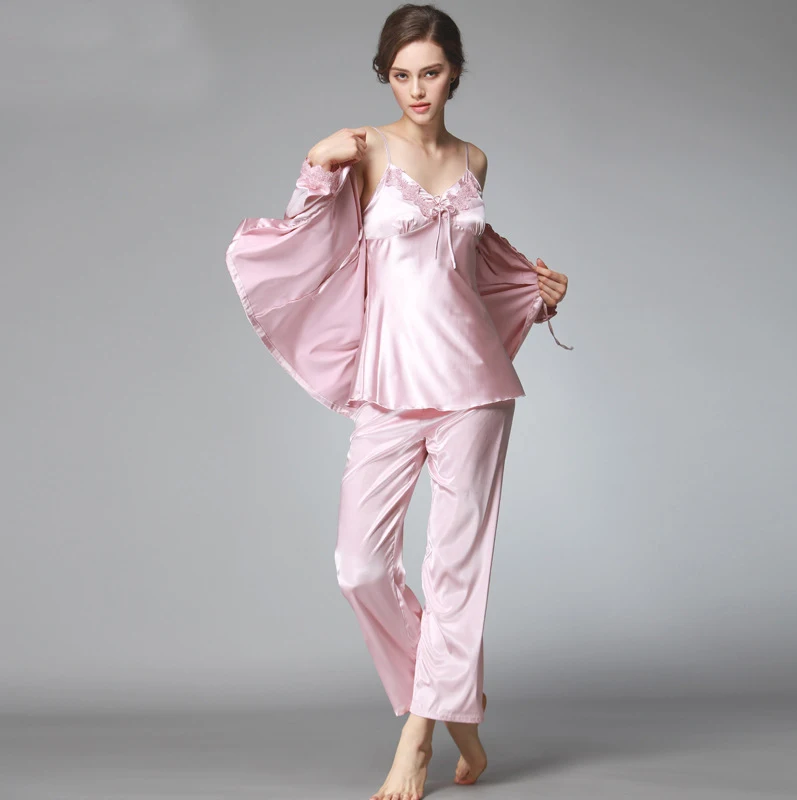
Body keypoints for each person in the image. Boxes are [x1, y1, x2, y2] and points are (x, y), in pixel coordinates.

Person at [225, 5, 573, 799]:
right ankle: (457, 711)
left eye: (433, 73)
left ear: (456, 73)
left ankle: (416, 742)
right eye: (402, 75)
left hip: (475, 389)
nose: (418, 89)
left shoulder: (475, 159)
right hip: (389, 388)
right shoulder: (369, 150)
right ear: (386, 75)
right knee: (360, 566)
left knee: (454, 570)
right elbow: (313, 232)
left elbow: (473, 267)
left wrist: (537, 291)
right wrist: (315, 164)